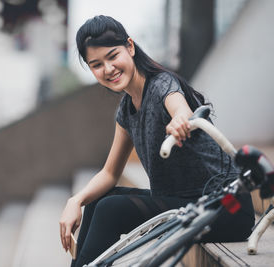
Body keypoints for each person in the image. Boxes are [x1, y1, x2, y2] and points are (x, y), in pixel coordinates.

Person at [59, 15, 255, 267]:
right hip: (186, 202)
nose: (108, 69)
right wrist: (75, 201)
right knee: (97, 200)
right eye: (96, 64)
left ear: (130, 46)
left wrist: (179, 122)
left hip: (226, 207)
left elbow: (181, 109)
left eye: (112, 56)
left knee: (112, 210)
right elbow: (109, 173)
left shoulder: (162, 84)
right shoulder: (127, 108)